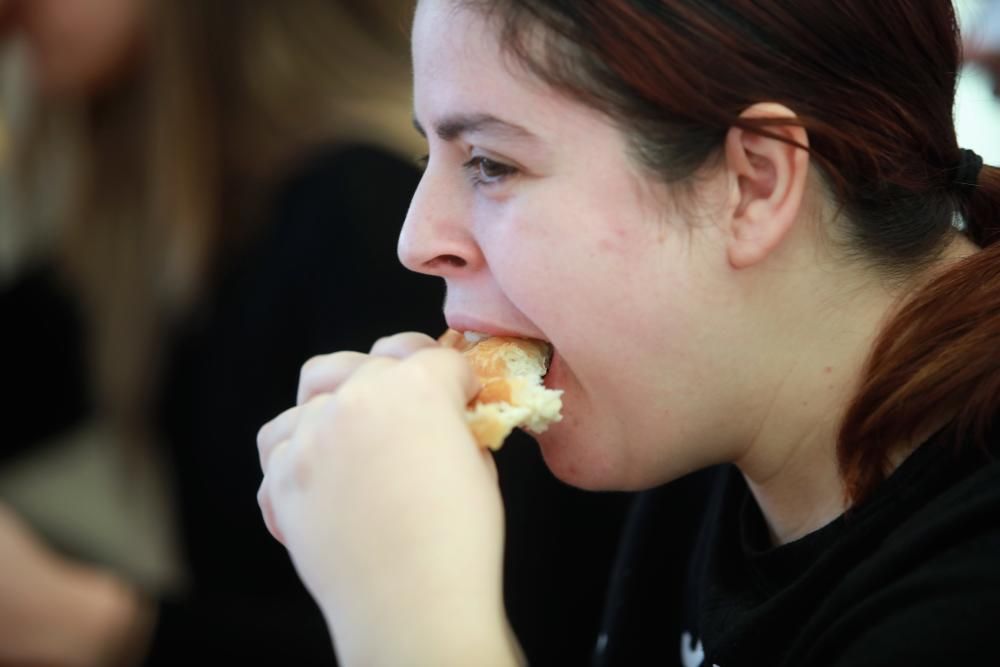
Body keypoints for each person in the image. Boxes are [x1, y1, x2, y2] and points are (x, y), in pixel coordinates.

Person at [256, 0, 1000, 665]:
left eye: (490, 161)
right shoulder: (700, 426)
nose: (416, 240)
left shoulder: (966, 593)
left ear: (754, 186)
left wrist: (409, 614)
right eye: (433, 156)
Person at [0, 0, 628, 663]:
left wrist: (93, 625)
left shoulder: (362, 210)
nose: (420, 240)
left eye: (490, 165)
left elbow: (485, 629)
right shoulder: (161, 223)